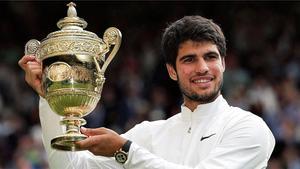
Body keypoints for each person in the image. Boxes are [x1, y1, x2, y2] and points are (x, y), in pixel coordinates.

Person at [19, 15, 275, 169]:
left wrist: (126, 151)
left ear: (224, 64)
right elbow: (68, 166)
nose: (202, 68)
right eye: (189, 60)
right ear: (172, 71)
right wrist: (50, 97)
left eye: (210, 57)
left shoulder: (248, 127)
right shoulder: (150, 133)